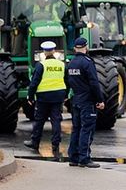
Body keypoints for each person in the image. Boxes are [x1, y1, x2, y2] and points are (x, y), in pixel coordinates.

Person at [23, 41, 67, 159]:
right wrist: (66, 94)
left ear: (44, 52)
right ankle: (55, 144)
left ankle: (35, 142)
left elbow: (34, 83)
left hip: (43, 97)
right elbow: (67, 80)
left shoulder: (41, 65)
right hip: (58, 96)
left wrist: (30, 97)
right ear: (54, 51)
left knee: (40, 120)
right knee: (56, 120)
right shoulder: (61, 64)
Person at [67, 37, 105, 168]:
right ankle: (84, 158)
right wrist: (99, 100)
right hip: (87, 101)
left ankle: (73, 157)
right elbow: (94, 83)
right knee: (87, 130)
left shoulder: (71, 63)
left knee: (76, 129)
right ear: (86, 47)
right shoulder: (87, 62)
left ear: (74, 48)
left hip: (76, 99)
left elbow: (68, 81)